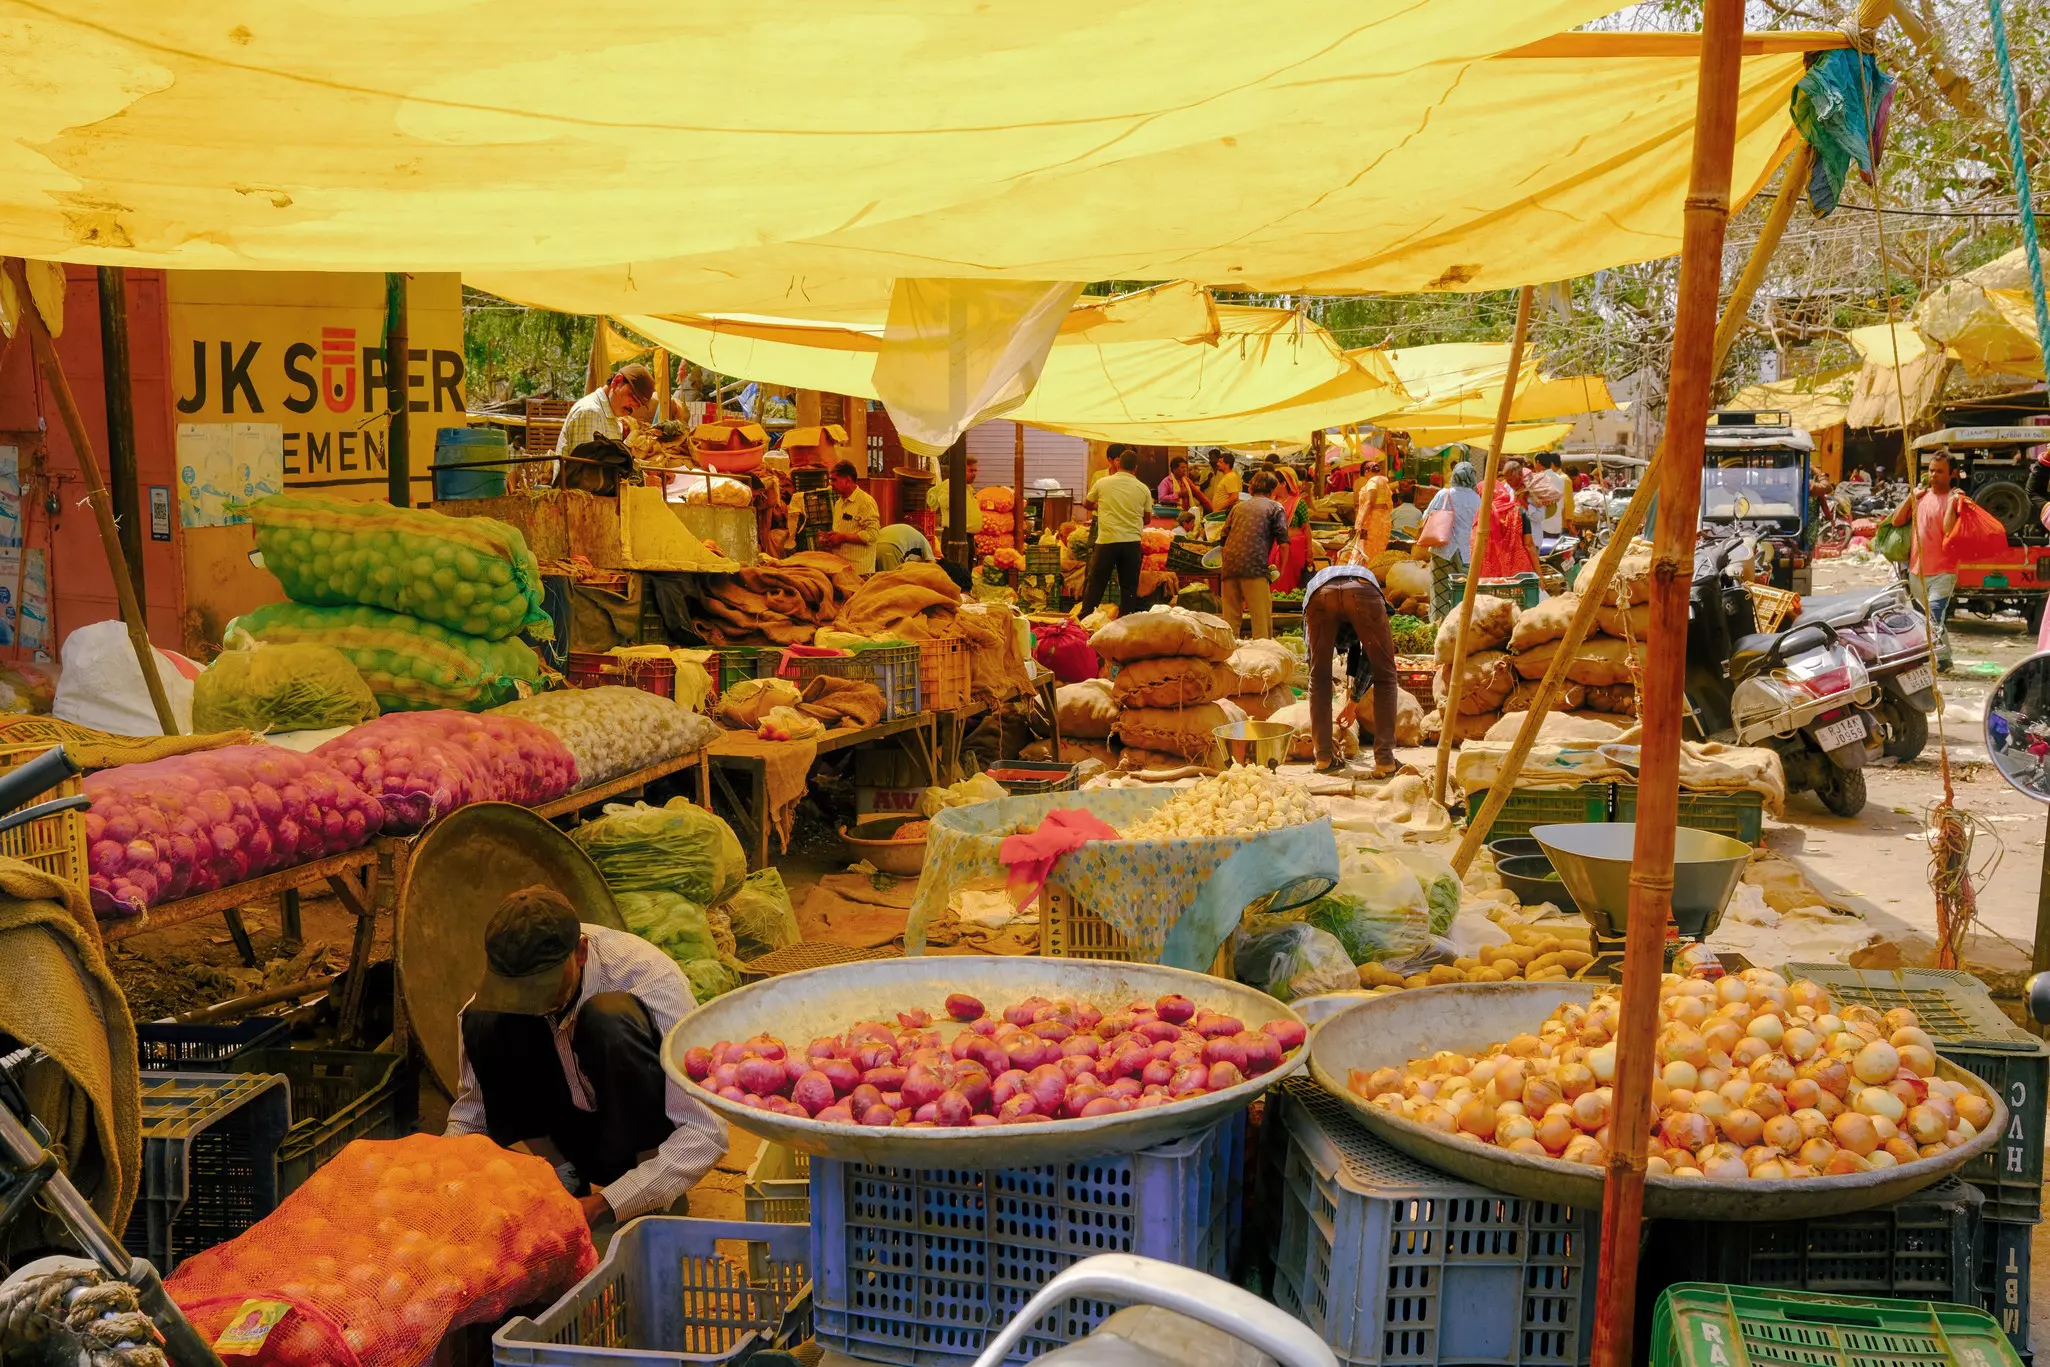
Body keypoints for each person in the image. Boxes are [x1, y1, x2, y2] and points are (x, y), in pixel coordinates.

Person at [447, 886, 727, 1229]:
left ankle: (649, 1198)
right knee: (486, 1019)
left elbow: (706, 1127)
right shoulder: (502, 997)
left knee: (609, 1016)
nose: (533, 1002)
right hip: (568, 1140)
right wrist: (439, 1176)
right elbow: (472, 1112)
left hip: (635, 1140)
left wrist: (606, 1204)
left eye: (542, 986)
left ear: (580, 952)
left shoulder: (649, 978)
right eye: (519, 991)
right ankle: (562, 1176)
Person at [1303, 563, 1401, 779]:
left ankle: (1323, 758)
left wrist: (1352, 702)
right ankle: (1385, 760)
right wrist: (1354, 701)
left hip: (1319, 593)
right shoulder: (1366, 601)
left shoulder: (1316, 598)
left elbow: (1313, 661)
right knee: (1386, 677)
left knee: (1318, 679)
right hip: (1363, 590)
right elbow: (1372, 662)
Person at [1885, 450, 1966, 672]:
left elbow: (1949, 530)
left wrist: (1951, 503)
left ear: (1953, 474)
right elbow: (1897, 520)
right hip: (1916, 571)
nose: (1933, 475)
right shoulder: (1920, 497)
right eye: (1931, 470)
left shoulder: (1957, 499)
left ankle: (1927, 663)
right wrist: (1911, 497)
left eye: (1939, 471)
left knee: (1933, 619)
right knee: (1925, 620)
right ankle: (1945, 659)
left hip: (1943, 572)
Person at [1079, 447, 1153, 617]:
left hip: (1106, 542)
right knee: (1128, 586)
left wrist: (1102, 506)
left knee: (1096, 582)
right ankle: (1126, 619)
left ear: (1118, 465)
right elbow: (1147, 519)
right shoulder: (1143, 489)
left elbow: (1087, 504)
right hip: (1131, 543)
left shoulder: (1103, 482)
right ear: (1135, 468)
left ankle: (1086, 617)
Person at [1218, 471, 1291, 639]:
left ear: (1251, 489)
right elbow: (1284, 544)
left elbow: (1223, 537)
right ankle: (1263, 659)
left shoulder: (1238, 507)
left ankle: (1228, 660)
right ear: (1273, 490)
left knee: (1230, 623)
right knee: (1261, 621)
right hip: (1255, 566)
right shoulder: (1275, 507)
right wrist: (1281, 569)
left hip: (1229, 567)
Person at [554, 363, 656, 480]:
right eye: (633, 397)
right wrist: (639, 482)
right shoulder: (591, 413)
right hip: (576, 497)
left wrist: (643, 478)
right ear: (617, 381)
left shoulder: (613, 419)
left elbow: (612, 468)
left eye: (639, 405)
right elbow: (585, 476)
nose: (633, 408)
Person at [1415, 459, 1484, 619]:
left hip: (1443, 549)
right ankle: (1461, 624)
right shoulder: (1477, 499)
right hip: (1467, 553)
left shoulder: (1444, 493)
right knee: (1464, 592)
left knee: (1440, 591)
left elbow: (1426, 516)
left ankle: (1439, 625)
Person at [1477, 459, 1543, 579]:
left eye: (1510, 479)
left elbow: (1540, 516)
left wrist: (1524, 503)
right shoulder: (1505, 488)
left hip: (1530, 541)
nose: (1508, 482)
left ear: (1518, 475)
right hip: (1512, 554)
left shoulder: (1532, 490)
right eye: (1506, 479)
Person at [817, 460, 881, 575]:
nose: (831, 484)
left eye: (834, 480)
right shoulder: (839, 503)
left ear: (847, 480)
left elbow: (872, 535)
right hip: (841, 569)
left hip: (859, 573)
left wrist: (843, 537)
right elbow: (842, 532)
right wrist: (830, 538)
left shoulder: (865, 502)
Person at [1343, 453, 1394, 565]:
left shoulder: (1372, 482)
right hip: (1384, 520)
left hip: (1373, 521)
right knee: (1378, 549)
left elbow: (1369, 503)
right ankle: (1374, 570)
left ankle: (1365, 573)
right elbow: (1389, 505)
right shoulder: (1384, 483)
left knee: (1367, 548)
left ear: (1366, 472)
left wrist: (1360, 522)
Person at [927, 455, 985, 538]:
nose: (974, 474)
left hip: (968, 536)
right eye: (971, 471)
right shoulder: (950, 485)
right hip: (954, 536)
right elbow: (944, 503)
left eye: (975, 471)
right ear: (960, 470)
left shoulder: (968, 488)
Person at [1527, 451, 1568, 539]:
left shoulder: (1537, 479)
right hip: (1556, 524)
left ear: (1537, 462)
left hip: (1542, 525)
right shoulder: (1560, 479)